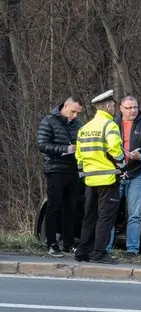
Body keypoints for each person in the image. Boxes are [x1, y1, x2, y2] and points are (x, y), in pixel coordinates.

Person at [73, 90, 125, 265]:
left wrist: (83, 172)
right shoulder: (110, 126)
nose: (114, 109)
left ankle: (82, 251)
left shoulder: (85, 128)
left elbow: (79, 155)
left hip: (90, 179)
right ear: (108, 106)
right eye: (113, 105)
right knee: (105, 218)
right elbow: (115, 149)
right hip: (108, 179)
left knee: (89, 216)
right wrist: (122, 166)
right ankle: (99, 253)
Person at [105, 95, 141, 257]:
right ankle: (105, 247)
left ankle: (132, 249)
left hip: (137, 174)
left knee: (135, 214)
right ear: (121, 108)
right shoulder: (112, 124)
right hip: (116, 174)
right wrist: (117, 166)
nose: (133, 110)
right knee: (109, 212)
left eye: (135, 107)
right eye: (129, 108)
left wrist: (140, 156)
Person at [36, 95, 85, 256]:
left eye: (78, 113)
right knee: (54, 207)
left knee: (71, 208)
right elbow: (42, 144)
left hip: (73, 170)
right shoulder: (49, 121)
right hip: (55, 169)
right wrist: (65, 149)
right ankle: (51, 242)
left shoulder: (78, 124)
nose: (75, 115)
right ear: (65, 107)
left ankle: (68, 243)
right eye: (73, 111)